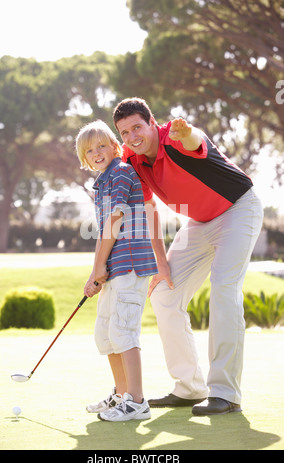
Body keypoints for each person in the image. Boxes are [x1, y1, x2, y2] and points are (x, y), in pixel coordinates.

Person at [113, 97, 263, 416]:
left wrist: (187, 132)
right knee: (165, 292)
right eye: (124, 132)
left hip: (238, 209)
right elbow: (148, 209)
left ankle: (225, 393)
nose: (132, 136)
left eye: (137, 127)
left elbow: (194, 140)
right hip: (199, 223)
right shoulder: (133, 158)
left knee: (223, 289)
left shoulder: (176, 135)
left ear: (152, 124)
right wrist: (161, 262)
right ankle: (190, 387)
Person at [75, 120, 158, 422]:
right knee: (106, 335)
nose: (96, 152)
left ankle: (136, 402)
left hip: (131, 266)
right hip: (115, 269)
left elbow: (114, 222)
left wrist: (98, 268)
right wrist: (96, 272)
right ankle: (122, 395)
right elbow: (103, 236)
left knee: (123, 332)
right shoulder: (102, 183)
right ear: (84, 159)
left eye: (101, 145)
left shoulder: (121, 172)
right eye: (89, 150)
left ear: (114, 147)